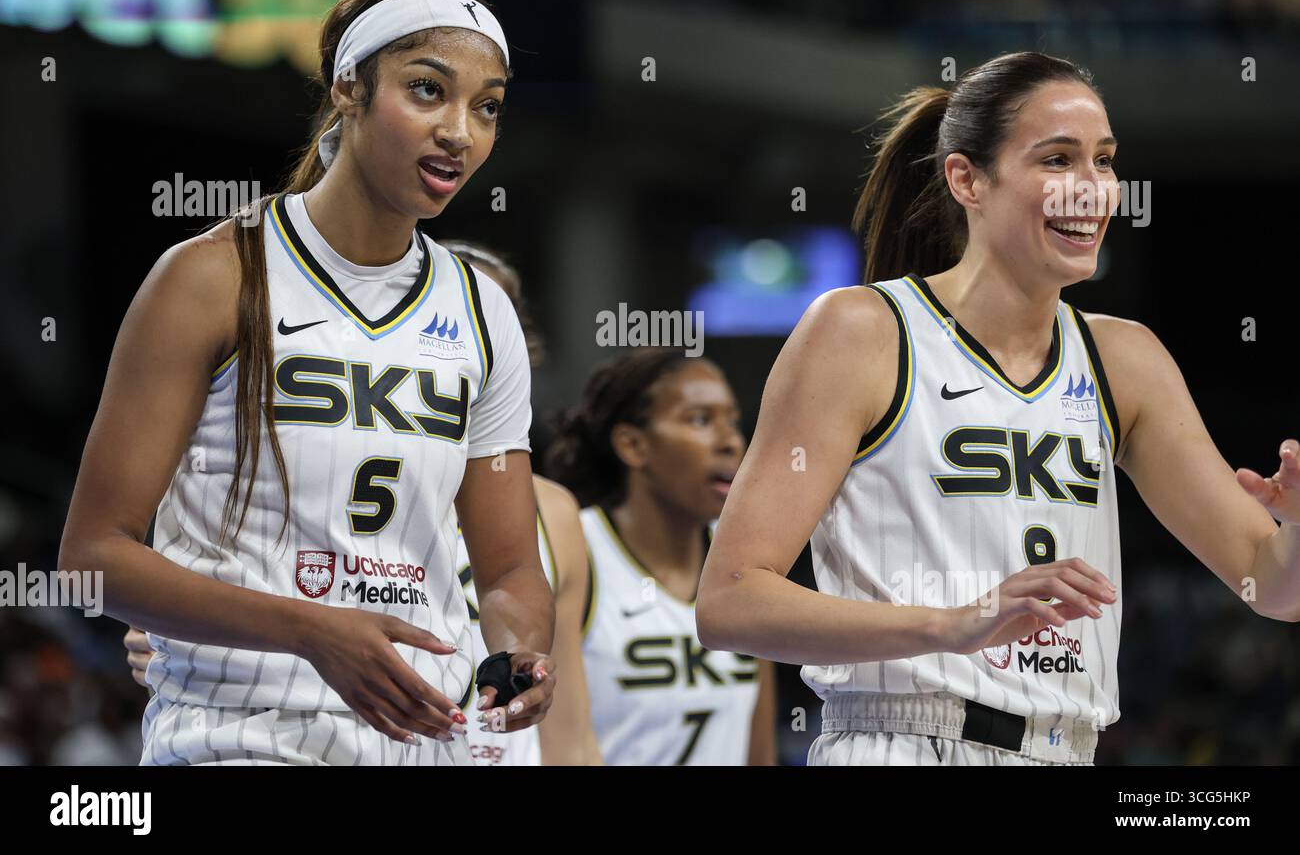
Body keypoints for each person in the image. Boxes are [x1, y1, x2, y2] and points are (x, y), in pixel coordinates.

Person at [696, 51, 1299, 765]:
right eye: (1057, 161)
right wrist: (958, 624)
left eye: (1103, 162)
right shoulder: (862, 331)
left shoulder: (1126, 360)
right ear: (966, 179)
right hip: (902, 741)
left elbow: (1272, 585)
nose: (1091, 189)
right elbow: (731, 602)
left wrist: (1296, 526)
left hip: (1066, 749)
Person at [61, 0, 556, 765]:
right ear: (348, 90)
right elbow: (92, 560)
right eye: (428, 90)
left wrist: (519, 652)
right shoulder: (212, 277)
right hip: (243, 735)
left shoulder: (481, 311)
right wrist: (309, 629)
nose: (460, 131)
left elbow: (506, 570)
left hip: (423, 737)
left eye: (487, 106)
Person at [122, 241, 605, 765]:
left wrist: (519, 665)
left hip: (443, 746)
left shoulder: (547, 510)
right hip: (260, 730)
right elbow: (119, 570)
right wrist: (183, 633)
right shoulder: (288, 447)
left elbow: (570, 724)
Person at [546, 350, 777, 765]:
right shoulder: (576, 547)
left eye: (731, 419)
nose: (730, 440)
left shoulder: (744, 558)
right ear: (633, 445)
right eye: (700, 420)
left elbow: (760, 754)